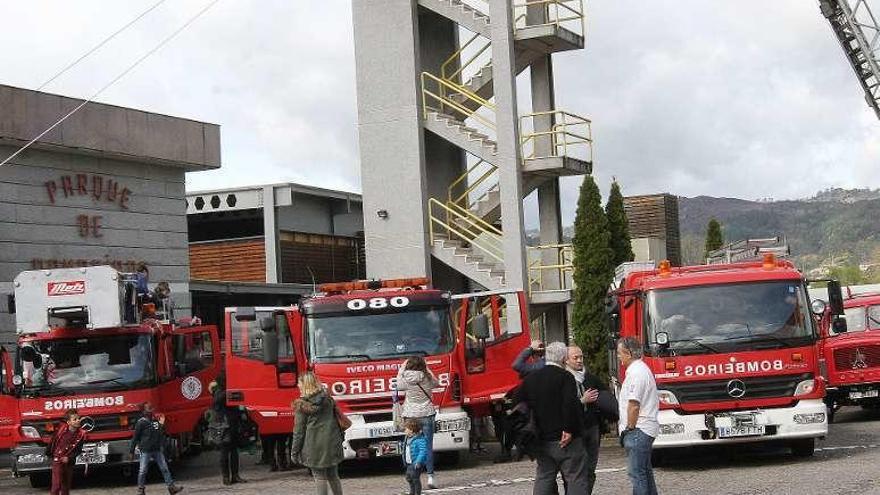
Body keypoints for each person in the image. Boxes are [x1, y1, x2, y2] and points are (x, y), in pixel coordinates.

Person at [517, 342, 589, 495]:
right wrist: (569, 429)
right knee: (575, 477)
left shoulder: (532, 378)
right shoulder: (565, 377)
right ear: (563, 359)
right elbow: (569, 404)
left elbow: (518, 400)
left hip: (542, 439)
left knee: (544, 476)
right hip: (566, 439)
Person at [617, 337, 660, 495]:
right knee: (645, 473)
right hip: (643, 429)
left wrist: (629, 428)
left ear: (628, 353)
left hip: (639, 430)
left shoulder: (637, 373)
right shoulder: (640, 370)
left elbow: (634, 405)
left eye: (620, 353)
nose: (618, 356)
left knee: (637, 475)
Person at [290, 372, 344, 495]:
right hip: (332, 442)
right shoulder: (328, 399)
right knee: (333, 475)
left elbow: (298, 432)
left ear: (305, 385)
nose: (298, 385)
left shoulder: (302, 405)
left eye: (299, 383)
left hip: (313, 446)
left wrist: (294, 452)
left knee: (320, 477)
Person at [565, 345, 607, 494]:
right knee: (575, 470)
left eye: (581, 357)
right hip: (575, 430)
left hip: (592, 427)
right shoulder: (564, 379)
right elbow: (564, 406)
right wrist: (582, 400)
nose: (579, 360)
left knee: (590, 468)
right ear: (566, 360)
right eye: (575, 358)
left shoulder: (590, 378)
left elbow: (605, 395)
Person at [396, 356, 439, 489]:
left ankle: (415, 474)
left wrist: (402, 368)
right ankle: (430, 477)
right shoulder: (427, 377)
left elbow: (397, 385)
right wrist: (427, 368)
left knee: (411, 445)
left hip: (410, 415)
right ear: (423, 365)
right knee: (427, 446)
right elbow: (436, 383)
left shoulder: (406, 379)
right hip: (427, 413)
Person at [130, 403, 183, 495]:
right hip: (146, 450)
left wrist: (161, 424)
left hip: (157, 450)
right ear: (143, 411)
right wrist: (132, 451)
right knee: (143, 470)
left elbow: (160, 433)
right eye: (148, 409)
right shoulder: (141, 423)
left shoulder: (155, 421)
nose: (150, 410)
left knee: (164, 468)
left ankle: (171, 487)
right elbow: (135, 437)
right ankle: (140, 489)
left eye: (151, 408)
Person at [211, 374, 246, 485]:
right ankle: (227, 477)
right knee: (226, 452)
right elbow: (218, 402)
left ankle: (233, 476)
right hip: (224, 426)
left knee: (233, 451)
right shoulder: (220, 393)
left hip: (231, 424)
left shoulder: (221, 392)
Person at [47, 409, 87, 495]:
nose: (78, 421)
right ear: (68, 422)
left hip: (69, 462)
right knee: (56, 484)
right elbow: (53, 442)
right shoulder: (61, 430)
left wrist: (69, 458)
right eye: (75, 419)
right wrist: (52, 455)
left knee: (66, 485)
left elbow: (78, 450)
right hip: (57, 459)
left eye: (78, 418)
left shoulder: (81, 434)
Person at [402, 418, 428, 495]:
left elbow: (423, 450)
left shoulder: (419, 439)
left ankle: (416, 493)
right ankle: (412, 491)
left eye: (406, 429)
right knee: (409, 477)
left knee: (415, 478)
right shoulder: (407, 438)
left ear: (411, 430)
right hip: (409, 463)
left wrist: (418, 461)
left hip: (416, 463)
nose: (405, 431)